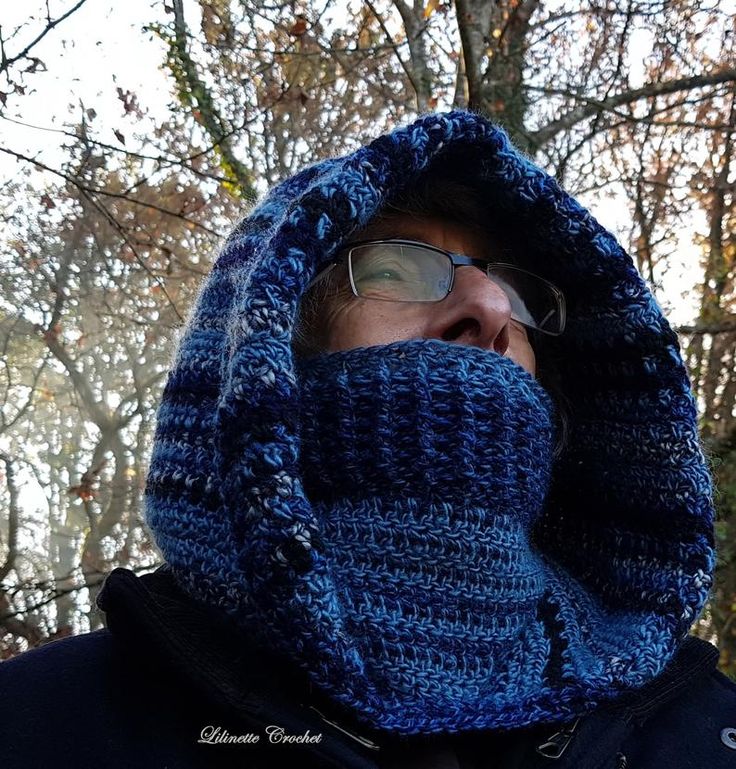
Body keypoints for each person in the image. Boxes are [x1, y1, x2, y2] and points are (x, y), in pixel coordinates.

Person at [2, 110, 736, 768]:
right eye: (395, 267)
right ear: (273, 354)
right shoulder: (40, 725)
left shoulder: (702, 730)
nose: (487, 305)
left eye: (514, 291)